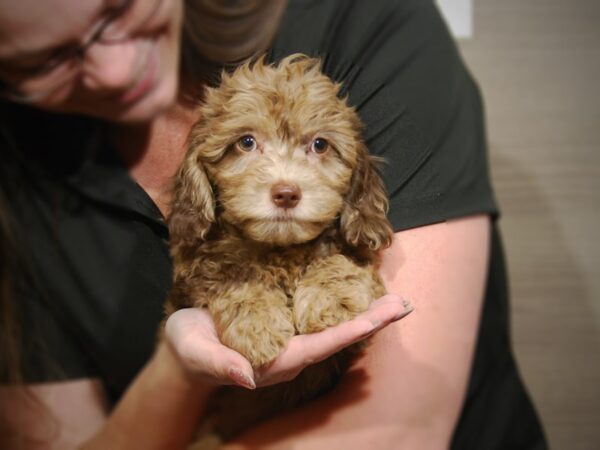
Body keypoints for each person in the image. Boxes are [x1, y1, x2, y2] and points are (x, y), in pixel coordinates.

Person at [0, 0, 548, 449]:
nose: (115, 71)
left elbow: (402, 427)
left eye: (117, 11)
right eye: (44, 60)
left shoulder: (363, 18)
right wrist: (180, 368)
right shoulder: (18, 173)